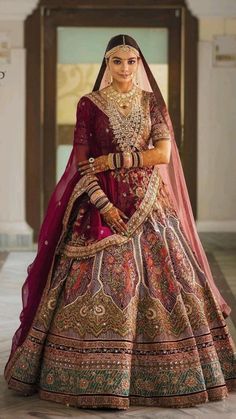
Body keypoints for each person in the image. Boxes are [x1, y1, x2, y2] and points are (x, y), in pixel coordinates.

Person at [4, 34, 236, 410]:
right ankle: (90, 377)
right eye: (117, 61)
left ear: (139, 64)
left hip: (149, 203)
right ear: (106, 64)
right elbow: (82, 163)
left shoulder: (152, 103)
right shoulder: (90, 105)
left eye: (131, 61)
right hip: (99, 206)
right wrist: (103, 205)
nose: (125, 68)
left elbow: (161, 153)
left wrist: (116, 161)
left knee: (170, 280)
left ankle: (169, 377)